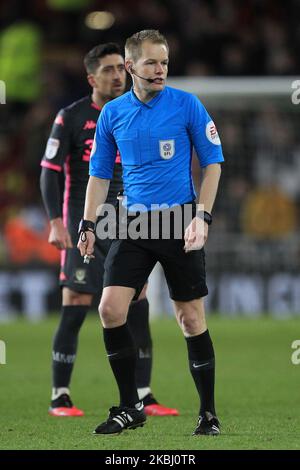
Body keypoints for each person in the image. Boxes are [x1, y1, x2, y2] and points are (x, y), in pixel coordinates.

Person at [78, 30, 224, 436]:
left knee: (189, 318)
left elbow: (213, 163)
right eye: (151, 62)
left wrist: (203, 217)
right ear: (130, 67)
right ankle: (130, 407)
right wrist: (89, 223)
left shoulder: (187, 105)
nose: (160, 69)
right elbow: (99, 175)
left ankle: (208, 413)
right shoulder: (113, 114)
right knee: (110, 309)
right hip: (133, 223)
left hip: (180, 221)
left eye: (164, 62)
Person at [40, 42, 179, 418]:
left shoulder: (134, 113)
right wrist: (56, 222)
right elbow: (49, 172)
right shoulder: (70, 117)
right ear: (92, 78)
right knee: (76, 305)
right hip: (82, 223)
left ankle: (144, 395)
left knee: (138, 304)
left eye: (121, 67)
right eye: (109, 70)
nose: (118, 75)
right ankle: (61, 395)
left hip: (128, 222)